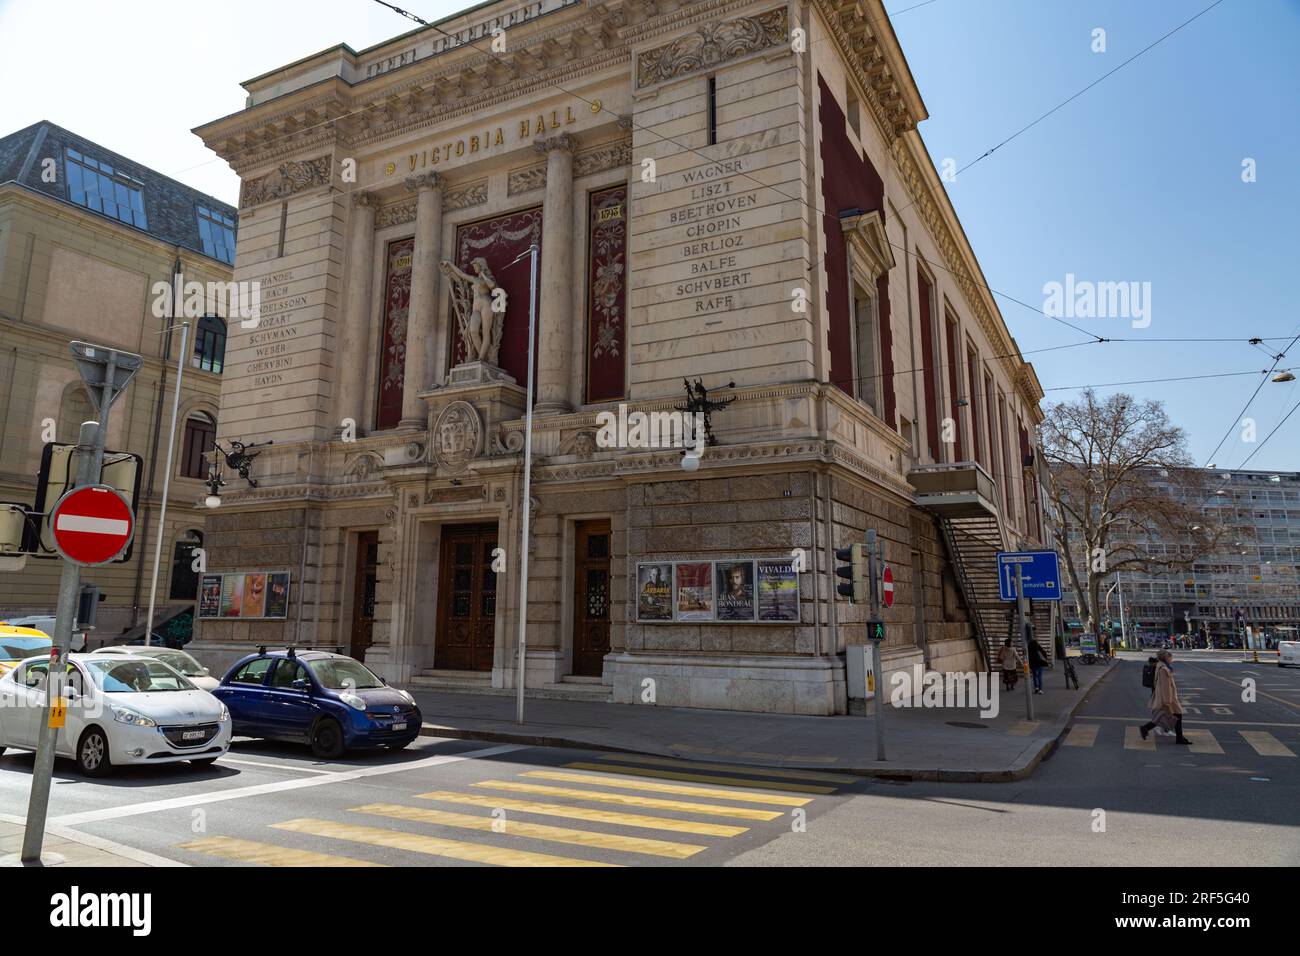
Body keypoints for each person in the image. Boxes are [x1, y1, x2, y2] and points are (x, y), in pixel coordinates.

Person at [1139, 650, 1190, 745]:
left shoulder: (1161, 666)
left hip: (1165, 696)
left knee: (1162, 716)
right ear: (1166, 658)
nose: (1172, 659)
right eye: (1170, 657)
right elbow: (1165, 687)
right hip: (1167, 698)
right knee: (1176, 715)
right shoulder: (1164, 669)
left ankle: (1145, 728)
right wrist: (1167, 701)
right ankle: (1179, 738)